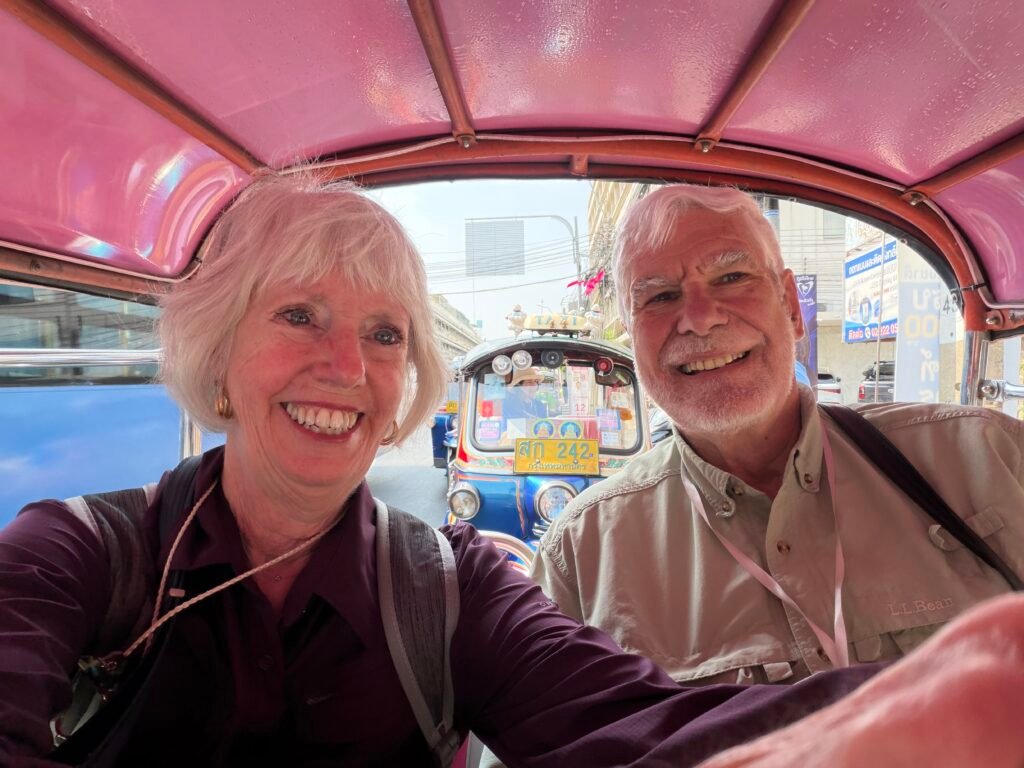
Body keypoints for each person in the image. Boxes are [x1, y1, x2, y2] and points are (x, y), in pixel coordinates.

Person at [0, 176, 1018, 768]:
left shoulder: (453, 588)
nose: (346, 367)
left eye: (384, 334)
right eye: (300, 316)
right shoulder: (77, 553)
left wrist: (945, 693)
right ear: (218, 350)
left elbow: (637, 730)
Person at [532, 183, 1024, 691]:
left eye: (732, 277)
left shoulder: (992, 459)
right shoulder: (581, 556)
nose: (700, 318)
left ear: (790, 305)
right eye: (659, 297)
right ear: (631, 336)